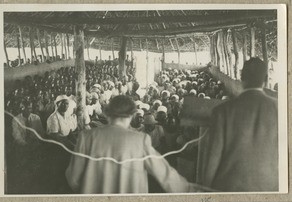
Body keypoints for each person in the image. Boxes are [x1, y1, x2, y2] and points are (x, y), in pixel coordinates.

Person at [66, 95, 196, 194]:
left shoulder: (86, 137)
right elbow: (165, 175)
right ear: (132, 115)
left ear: (107, 113)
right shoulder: (140, 140)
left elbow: (73, 179)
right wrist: (193, 191)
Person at [198, 58, 278, 192]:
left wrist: (206, 191)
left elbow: (212, 159)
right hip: (269, 189)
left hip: (229, 189)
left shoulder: (222, 111)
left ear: (241, 77)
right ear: (265, 79)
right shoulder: (280, 109)